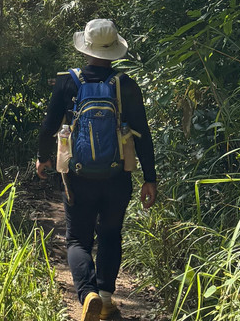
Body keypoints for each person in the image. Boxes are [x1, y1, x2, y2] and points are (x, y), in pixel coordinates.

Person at [36, 18, 158, 321]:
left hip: (78, 177)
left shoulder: (67, 82)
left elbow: (48, 127)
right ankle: (104, 298)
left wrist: (43, 158)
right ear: (114, 50)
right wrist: (150, 178)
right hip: (117, 177)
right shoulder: (126, 85)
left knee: (78, 239)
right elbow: (143, 134)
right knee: (110, 234)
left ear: (85, 48)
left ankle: (87, 293)